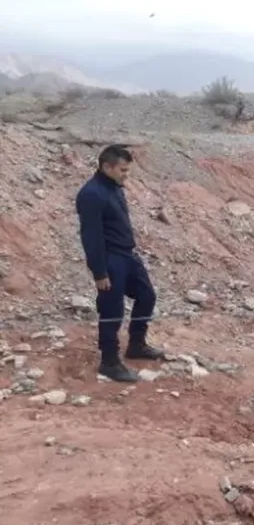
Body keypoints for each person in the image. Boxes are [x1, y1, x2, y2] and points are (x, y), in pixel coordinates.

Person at [75, 145, 165, 382]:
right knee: (111, 309)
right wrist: (99, 271)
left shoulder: (114, 188)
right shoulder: (91, 194)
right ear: (107, 167)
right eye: (123, 170)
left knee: (147, 296)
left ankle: (136, 344)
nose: (127, 174)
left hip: (127, 255)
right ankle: (109, 361)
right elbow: (91, 236)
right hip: (110, 260)